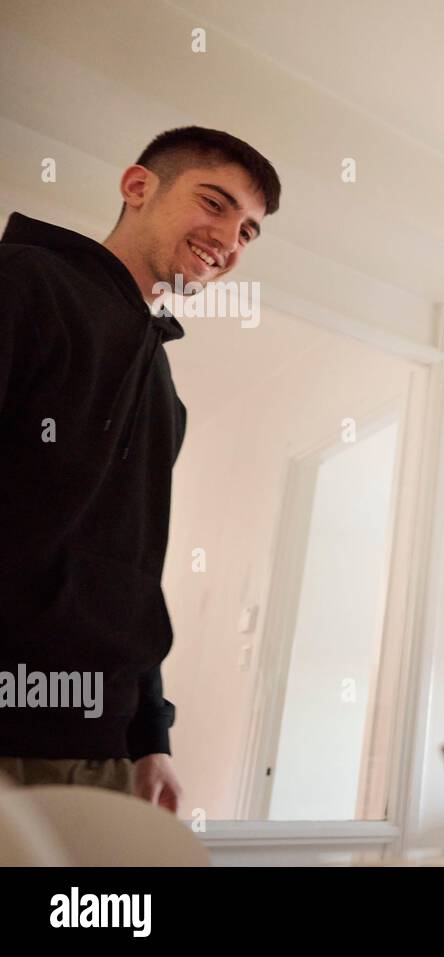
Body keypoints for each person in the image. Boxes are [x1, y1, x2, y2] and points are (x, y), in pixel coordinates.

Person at [0, 126, 281, 811]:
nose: (229, 238)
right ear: (137, 187)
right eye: (214, 204)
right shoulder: (22, 285)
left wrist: (148, 734)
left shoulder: (164, 391)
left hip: (99, 751)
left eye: (248, 231)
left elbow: (132, 573)